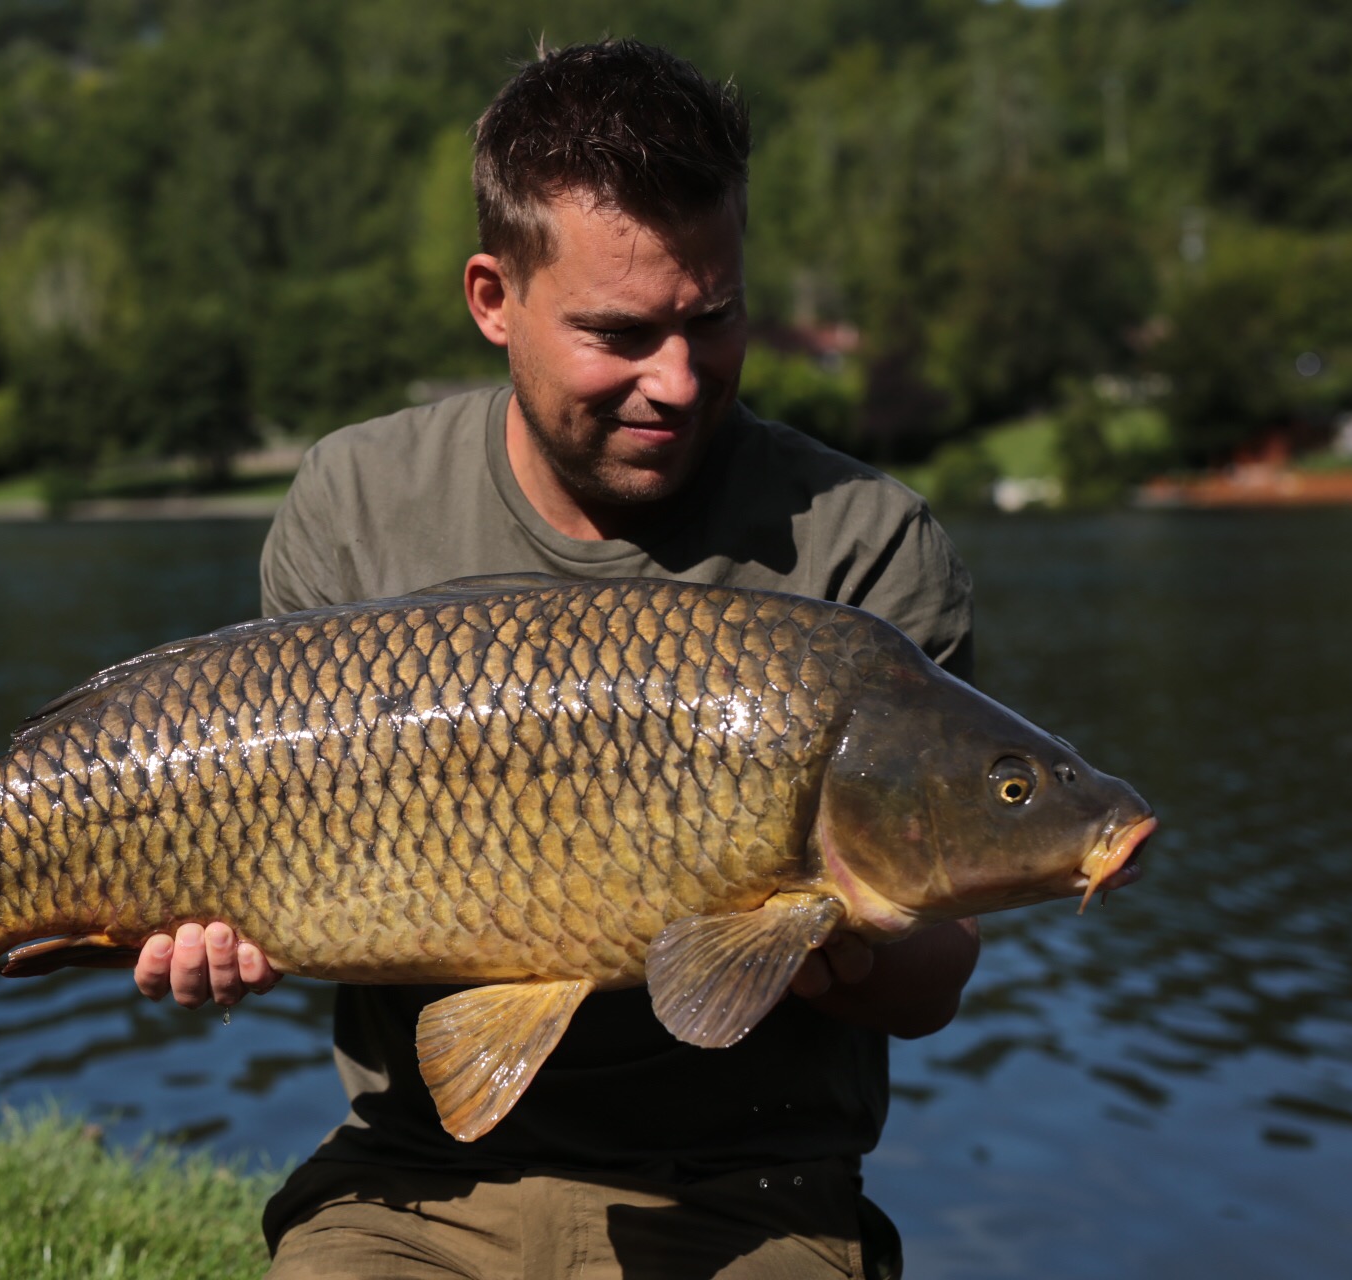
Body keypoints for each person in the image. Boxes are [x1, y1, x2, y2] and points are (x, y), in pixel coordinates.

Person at [132, 39, 980, 1280]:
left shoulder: (867, 543)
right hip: (412, 1178)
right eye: (621, 332)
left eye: (713, 318)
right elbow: (272, 877)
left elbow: (929, 984)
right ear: (493, 298)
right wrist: (201, 930)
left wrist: (833, 935)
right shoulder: (358, 500)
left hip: (752, 1193)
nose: (678, 381)